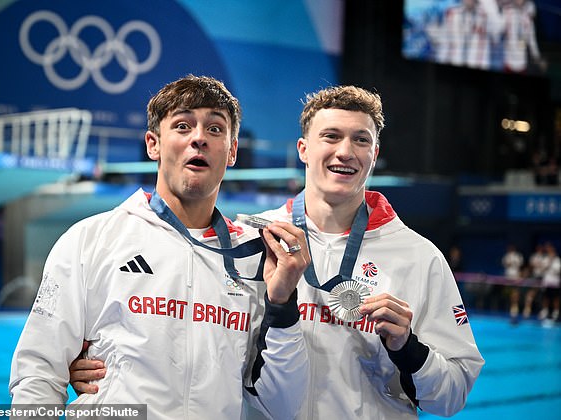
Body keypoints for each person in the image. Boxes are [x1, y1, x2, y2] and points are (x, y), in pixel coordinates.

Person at [71, 84, 485, 418]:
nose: (345, 151)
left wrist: (409, 350)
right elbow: (190, 329)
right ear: (304, 149)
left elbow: (451, 397)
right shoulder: (248, 241)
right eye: (331, 136)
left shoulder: (419, 257)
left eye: (361, 140)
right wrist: (105, 360)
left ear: (374, 155)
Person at [9, 75, 312, 419]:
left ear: (232, 151)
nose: (199, 138)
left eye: (215, 129)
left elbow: (283, 405)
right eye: (183, 126)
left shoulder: (257, 258)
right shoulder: (91, 240)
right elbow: (39, 370)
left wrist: (282, 305)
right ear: (153, 144)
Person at [538, 241, 560, 322]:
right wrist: (549, 262)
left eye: (551, 250)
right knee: (545, 297)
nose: (550, 251)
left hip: (555, 282)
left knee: (556, 298)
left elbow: (558, 271)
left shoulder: (558, 260)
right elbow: (542, 269)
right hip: (546, 281)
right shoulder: (545, 259)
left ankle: (555, 313)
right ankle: (545, 311)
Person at [501, 243, 524, 322]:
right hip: (508, 280)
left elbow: (520, 267)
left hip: (515, 279)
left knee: (515, 297)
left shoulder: (518, 256)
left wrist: (519, 278)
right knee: (509, 297)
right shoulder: (506, 256)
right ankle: (510, 312)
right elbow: (505, 264)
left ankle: (514, 314)